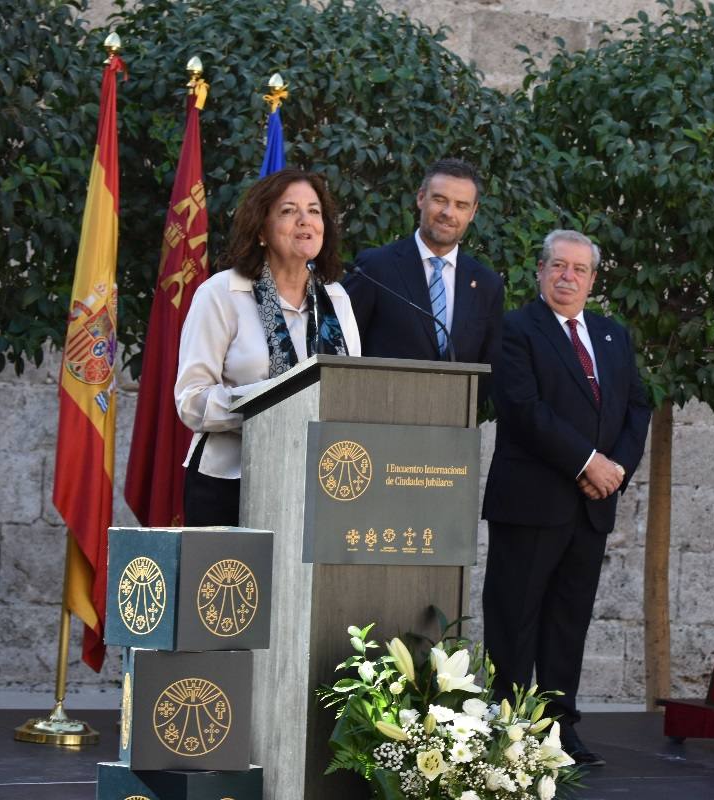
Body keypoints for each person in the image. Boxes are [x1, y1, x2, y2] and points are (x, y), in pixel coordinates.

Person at [481, 229, 651, 766]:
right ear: (540, 272)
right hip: (532, 502)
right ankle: (509, 726)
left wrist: (616, 468)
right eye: (558, 266)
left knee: (568, 620)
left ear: (593, 279)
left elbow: (637, 407)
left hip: (591, 505)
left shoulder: (611, 336)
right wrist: (588, 462)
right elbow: (524, 409)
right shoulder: (515, 329)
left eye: (579, 269)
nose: (567, 277)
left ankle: (559, 729)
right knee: (516, 617)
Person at [175, 169, 361, 526]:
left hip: (318, 485)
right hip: (229, 483)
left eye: (315, 211)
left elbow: (350, 388)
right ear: (261, 230)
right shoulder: (222, 294)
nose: (305, 221)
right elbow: (191, 400)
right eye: (289, 211)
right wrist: (271, 405)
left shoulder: (336, 298)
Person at [345, 157, 503, 365]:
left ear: (473, 212)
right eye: (439, 200)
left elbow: (488, 366)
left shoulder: (487, 285)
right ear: (421, 198)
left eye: (461, 205)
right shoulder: (374, 268)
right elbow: (342, 348)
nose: (448, 213)